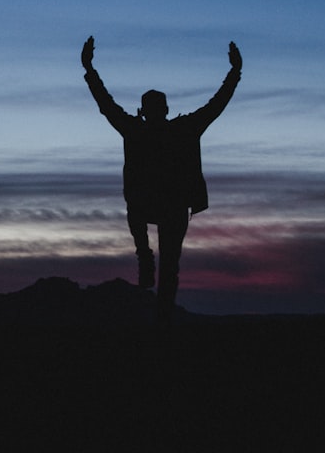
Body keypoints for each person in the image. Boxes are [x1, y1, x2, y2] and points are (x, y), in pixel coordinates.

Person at [81, 36, 241, 323]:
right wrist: (234, 73)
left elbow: (106, 104)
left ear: (146, 111)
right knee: (169, 266)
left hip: (161, 204)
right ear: (164, 110)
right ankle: (153, 285)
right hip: (167, 204)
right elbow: (217, 104)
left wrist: (90, 70)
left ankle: (145, 259)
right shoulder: (180, 129)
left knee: (156, 243)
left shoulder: (138, 129)